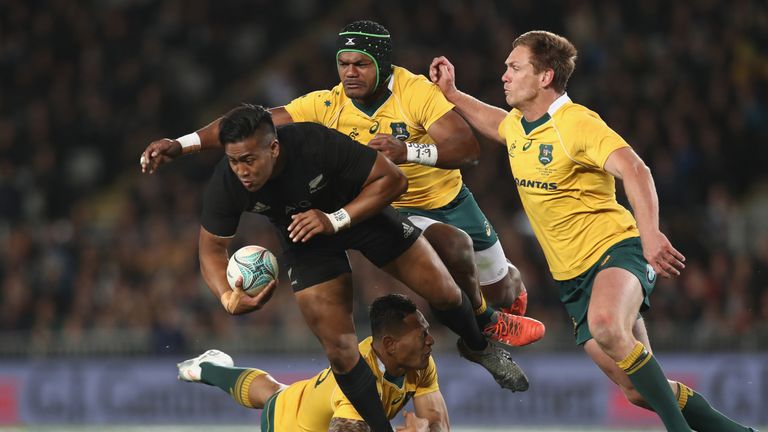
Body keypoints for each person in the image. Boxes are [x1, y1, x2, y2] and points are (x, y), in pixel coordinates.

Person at [428, 30, 758, 432]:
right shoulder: (519, 126)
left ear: (545, 77)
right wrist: (454, 94)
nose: (504, 76)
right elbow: (497, 124)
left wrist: (650, 233)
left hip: (616, 252)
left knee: (606, 325)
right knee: (638, 391)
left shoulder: (578, 123)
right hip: (572, 280)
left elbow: (636, 169)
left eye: (514, 67)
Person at [139, 20, 544, 347]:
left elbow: (467, 149)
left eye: (361, 64)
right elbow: (250, 121)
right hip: (393, 206)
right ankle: (486, 326)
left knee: (504, 290)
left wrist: (408, 152)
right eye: (343, 63)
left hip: (449, 199)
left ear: (382, 64)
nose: (350, 72)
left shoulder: (413, 91)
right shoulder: (325, 104)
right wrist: (182, 144)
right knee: (453, 248)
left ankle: (504, 295)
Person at [194, 104, 527, 432]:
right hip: (306, 239)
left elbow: (394, 180)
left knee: (444, 292)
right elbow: (211, 247)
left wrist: (335, 219)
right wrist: (225, 297)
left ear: (274, 147)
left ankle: (478, 347)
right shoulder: (228, 181)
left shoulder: (315, 143)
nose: (242, 171)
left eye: (249, 160)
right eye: (235, 161)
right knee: (340, 350)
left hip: (361, 215)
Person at [177, 294, 448, 432]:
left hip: (304, 398)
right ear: (389, 344)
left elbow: (438, 420)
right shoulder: (359, 384)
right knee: (274, 398)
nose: (430, 341)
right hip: (287, 427)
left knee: (273, 392)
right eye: (422, 334)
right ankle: (208, 369)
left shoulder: (420, 362)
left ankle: (208, 367)